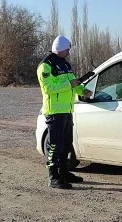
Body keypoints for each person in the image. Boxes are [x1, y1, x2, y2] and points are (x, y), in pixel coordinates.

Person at [36, 35, 92, 189]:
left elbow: (73, 83)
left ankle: (64, 172)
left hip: (67, 110)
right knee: (55, 145)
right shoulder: (46, 66)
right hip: (54, 112)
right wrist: (69, 83)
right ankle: (54, 177)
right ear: (60, 49)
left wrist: (82, 90)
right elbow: (48, 88)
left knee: (67, 145)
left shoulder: (65, 65)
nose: (68, 53)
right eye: (67, 50)